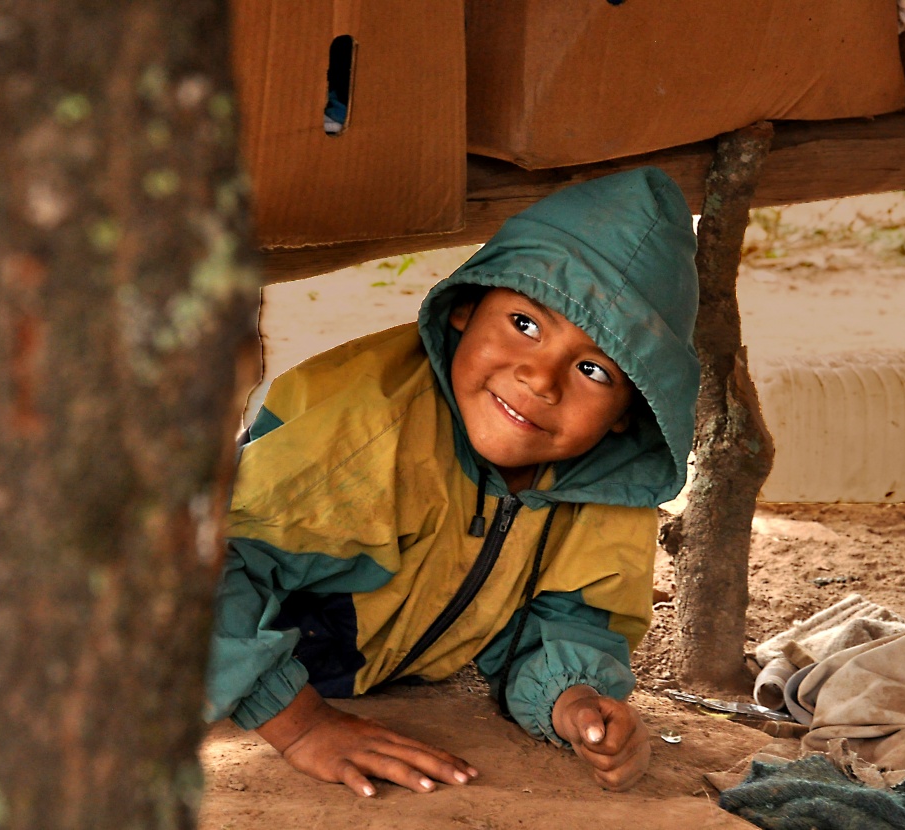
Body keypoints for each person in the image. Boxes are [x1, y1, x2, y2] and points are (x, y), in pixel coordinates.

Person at [203, 167, 701, 797]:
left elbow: (571, 620)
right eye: (525, 324)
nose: (541, 380)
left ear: (631, 412)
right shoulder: (368, 433)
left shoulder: (603, 487)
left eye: (592, 370)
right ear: (466, 307)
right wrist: (300, 725)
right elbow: (199, 562)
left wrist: (574, 701)